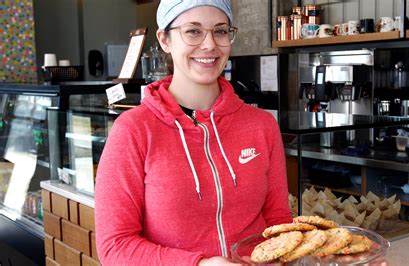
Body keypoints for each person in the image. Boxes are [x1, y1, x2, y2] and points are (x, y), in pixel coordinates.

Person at [94, 0, 292, 265]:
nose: (210, 44)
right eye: (193, 31)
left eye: (220, 31)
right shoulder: (133, 130)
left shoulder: (261, 125)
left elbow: (278, 222)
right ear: (165, 39)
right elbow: (115, 247)